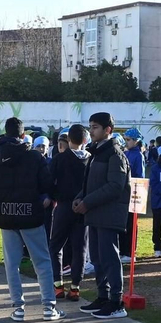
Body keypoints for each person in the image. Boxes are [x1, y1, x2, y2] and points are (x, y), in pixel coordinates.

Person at [0, 118, 63, 322]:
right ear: (23, 135)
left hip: (5, 215)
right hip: (31, 215)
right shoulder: (34, 157)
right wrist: (46, 197)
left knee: (11, 264)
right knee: (42, 261)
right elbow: (47, 183)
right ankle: (48, 306)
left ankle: (18, 307)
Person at [74, 112, 130, 319]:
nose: (91, 130)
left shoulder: (115, 154)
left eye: (95, 127)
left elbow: (116, 186)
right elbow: (90, 182)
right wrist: (80, 198)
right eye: (90, 126)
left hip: (109, 214)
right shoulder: (97, 152)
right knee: (97, 258)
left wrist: (87, 202)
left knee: (109, 257)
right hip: (96, 213)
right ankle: (103, 296)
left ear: (108, 130)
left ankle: (116, 302)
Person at [50, 123, 90, 301]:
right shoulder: (91, 160)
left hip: (64, 206)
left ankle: (58, 285)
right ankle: (75, 288)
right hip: (83, 207)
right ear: (85, 140)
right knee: (79, 248)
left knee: (56, 246)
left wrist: (55, 196)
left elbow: (50, 182)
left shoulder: (59, 158)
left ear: (67, 139)